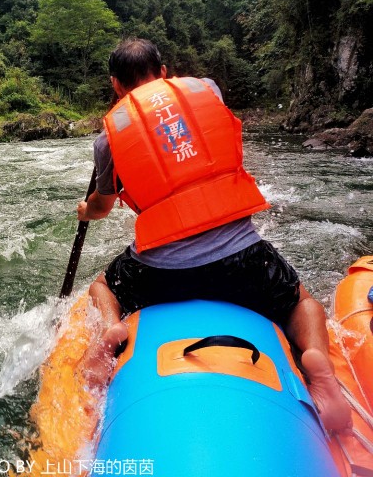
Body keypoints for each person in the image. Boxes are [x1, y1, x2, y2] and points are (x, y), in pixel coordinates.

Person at [76, 38, 352, 432]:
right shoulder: (207, 89)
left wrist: (86, 210)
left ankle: (110, 329)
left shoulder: (108, 139)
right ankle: (315, 361)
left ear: (115, 84)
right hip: (242, 260)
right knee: (301, 301)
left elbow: (102, 206)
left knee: (103, 286)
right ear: (165, 72)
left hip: (160, 273)